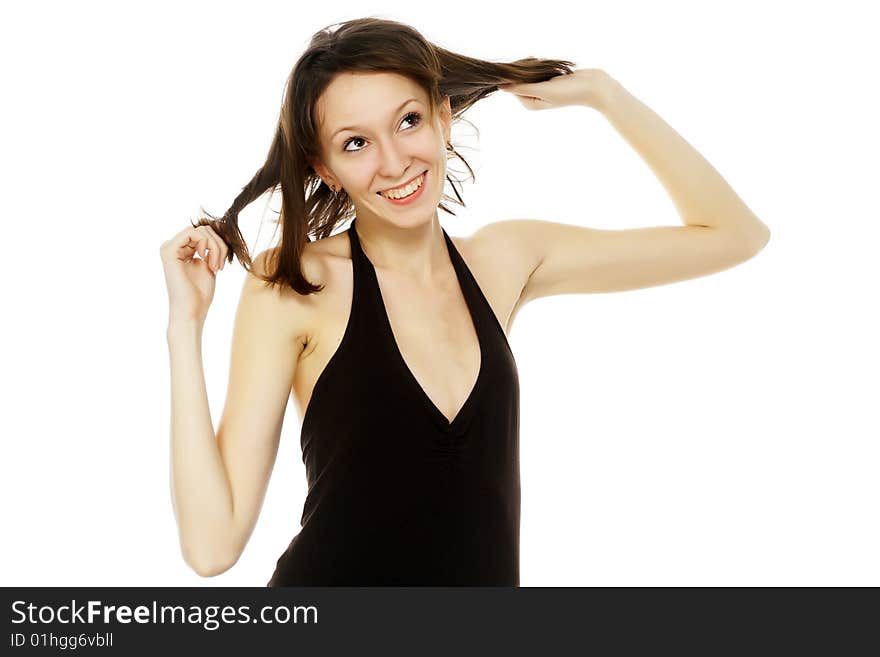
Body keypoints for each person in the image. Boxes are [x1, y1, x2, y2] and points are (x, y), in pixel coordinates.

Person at [159, 17, 770, 586]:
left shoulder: (505, 261)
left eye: (407, 121)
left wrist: (607, 97)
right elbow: (213, 548)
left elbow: (734, 236)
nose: (395, 161)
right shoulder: (296, 283)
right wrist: (185, 328)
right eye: (355, 144)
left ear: (442, 117)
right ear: (324, 168)